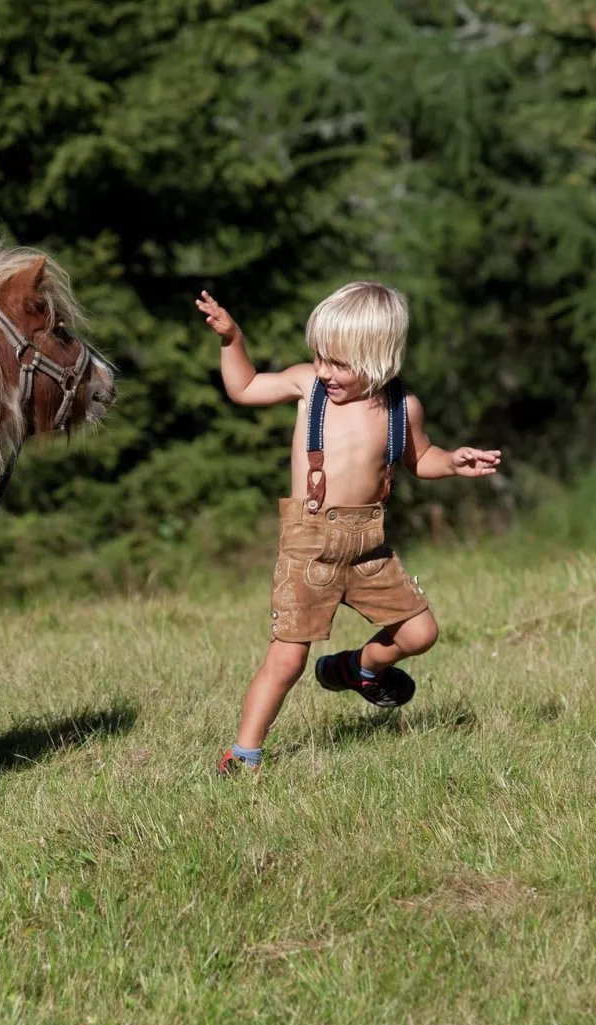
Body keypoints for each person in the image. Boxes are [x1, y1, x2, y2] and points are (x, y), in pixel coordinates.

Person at [196, 283, 501, 774]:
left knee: (420, 633)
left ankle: (356, 668)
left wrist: (453, 461)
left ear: (379, 359)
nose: (325, 372)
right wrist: (232, 339)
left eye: (339, 363)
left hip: (368, 547)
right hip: (309, 548)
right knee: (287, 661)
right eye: (319, 357)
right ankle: (244, 754)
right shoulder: (307, 388)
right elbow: (244, 387)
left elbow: (421, 458)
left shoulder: (403, 407)